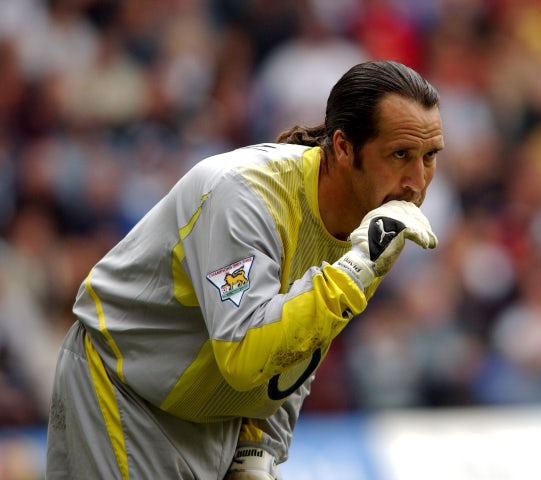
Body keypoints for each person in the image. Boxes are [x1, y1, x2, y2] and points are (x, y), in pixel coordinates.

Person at [45, 60, 444, 479]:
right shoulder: (244, 195)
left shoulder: (374, 223)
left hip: (212, 420)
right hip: (122, 392)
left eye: (430, 156)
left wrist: (258, 448)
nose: (417, 182)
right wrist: (355, 271)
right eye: (400, 155)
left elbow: (303, 343)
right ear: (344, 147)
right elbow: (244, 352)